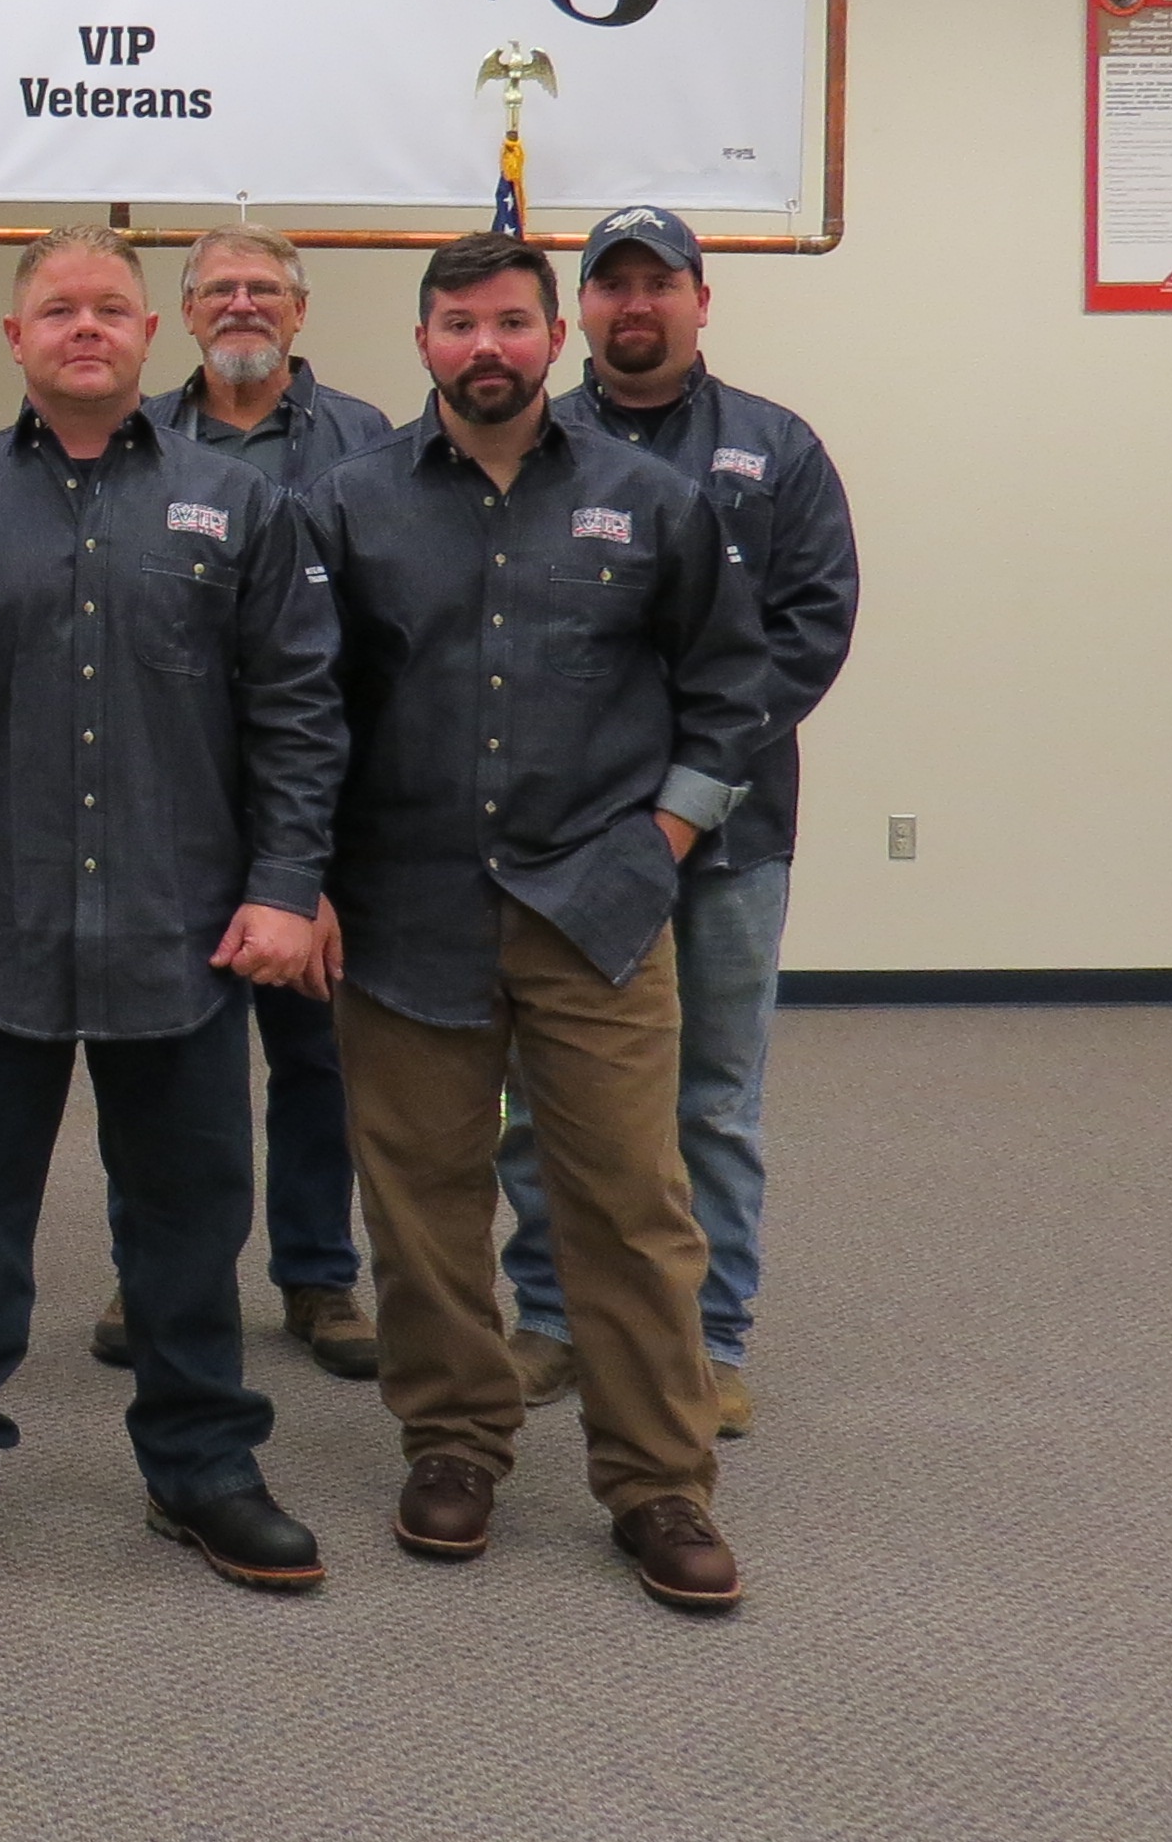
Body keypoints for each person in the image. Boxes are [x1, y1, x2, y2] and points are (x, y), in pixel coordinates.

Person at [0, 227, 347, 1596]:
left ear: (153, 335)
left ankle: (202, 1467)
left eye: (111, 310)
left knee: (191, 1217)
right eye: (57, 310)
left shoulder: (241, 508)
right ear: (15, 339)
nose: (86, 328)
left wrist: (285, 886)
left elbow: (299, 715)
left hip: (184, 930)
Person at [304, 230, 770, 1613]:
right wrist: (304, 874)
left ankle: (659, 1481)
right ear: (425, 341)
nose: (486, 347)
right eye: (459, 324)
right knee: (425, 1207)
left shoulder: (651, 498)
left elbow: (730, 687)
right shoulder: (346, 503)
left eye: (512, 321)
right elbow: (300, 708)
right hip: (405, 911)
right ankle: (454, 1444)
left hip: (596, 912)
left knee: (629, 1206)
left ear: (554, 336)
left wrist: (667, 836)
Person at [498, 208, 858, 1439]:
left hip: (731, 838)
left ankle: (710, 1339)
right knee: (545, 1092)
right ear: (579, 315)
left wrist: (686, 791)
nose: (635, 306)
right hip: (569, 843)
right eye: (612, 287)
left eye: (660, 284)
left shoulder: (776, 449)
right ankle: (546, 1317)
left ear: (702, 300)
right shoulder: (527, 443)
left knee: (709, 1096)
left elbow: (809, 631)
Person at [90, 222, 399, 1384]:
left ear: (299, 310)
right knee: (161, 1061)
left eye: (262, 289)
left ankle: (318, 1275)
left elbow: (378, 638)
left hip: (311, 803)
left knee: (314, 1057)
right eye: (217, 290)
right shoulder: (139, 435)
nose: (240, 306)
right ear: (183, 315)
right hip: (166, 812)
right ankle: (156, 1267)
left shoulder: (365, 441)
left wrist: (318, 857)